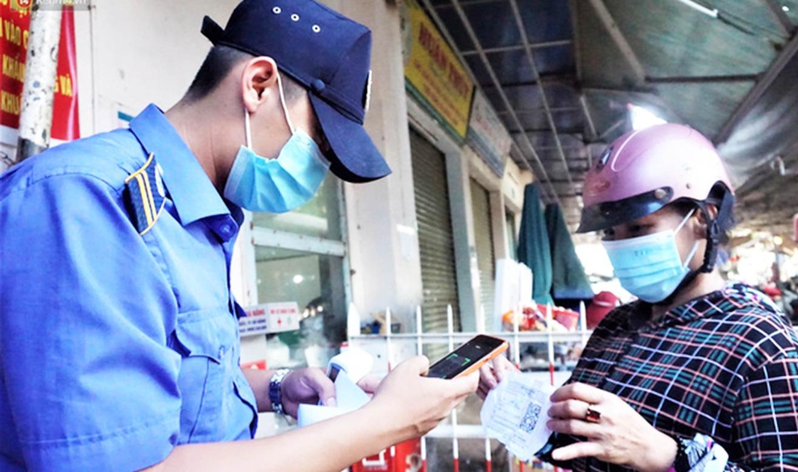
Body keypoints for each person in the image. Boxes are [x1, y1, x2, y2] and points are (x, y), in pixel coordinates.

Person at [0, 1, 478, 471]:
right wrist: (384, 423)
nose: (315, 173)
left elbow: (168, 386)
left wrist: (275, 387)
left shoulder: (200, 217)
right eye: (319, 146)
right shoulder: (89, 204)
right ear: (258, 85)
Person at [479, 125, 798, 472]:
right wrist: (521, 404)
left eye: (638, 228)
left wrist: (665, 455)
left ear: (703, 217)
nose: (621, 246)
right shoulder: (617, 327)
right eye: (611, 232)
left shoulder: (765, 349)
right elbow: (587, 449)